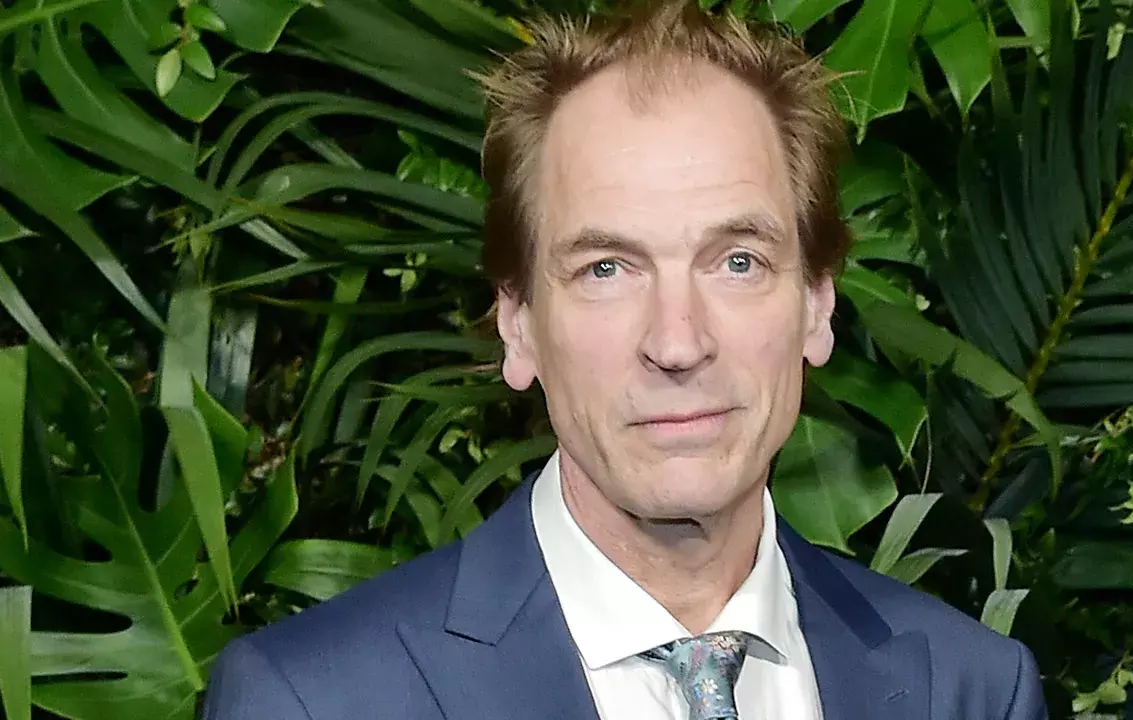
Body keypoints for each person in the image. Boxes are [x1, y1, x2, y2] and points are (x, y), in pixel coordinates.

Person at [201, 1, 1048, 718]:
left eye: (738, 262)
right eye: (606, 269)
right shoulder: (313, 700)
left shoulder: (971, 690)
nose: (678, 343)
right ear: (518, 325)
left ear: (816, 306)